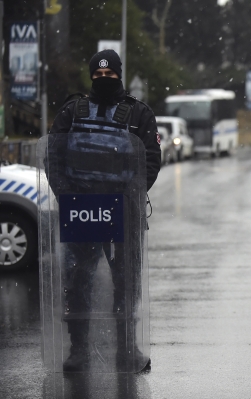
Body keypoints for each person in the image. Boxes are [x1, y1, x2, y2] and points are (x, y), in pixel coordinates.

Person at [48, 49, 161, 372]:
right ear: (91, 76)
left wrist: (130, 195)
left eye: (109, 74)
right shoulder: (72, 111)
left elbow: (150, 160)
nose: (103, 79)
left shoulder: (139, 114)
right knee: (77, 279)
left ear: (119, 74)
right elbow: (54, 157)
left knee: (126, 281)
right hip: (81, 211)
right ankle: (79, 350)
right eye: (98, 75)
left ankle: (126, 349)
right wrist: (67, 196)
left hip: (123, 213)